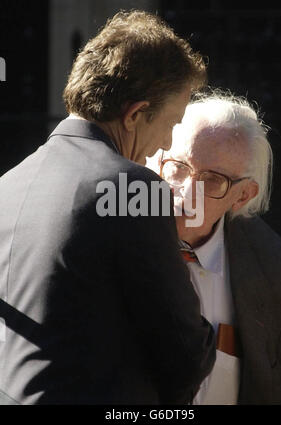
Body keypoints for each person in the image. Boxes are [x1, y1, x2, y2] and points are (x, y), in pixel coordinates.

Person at [0, 10, 216, 405]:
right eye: (171, 123)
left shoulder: (8, 184)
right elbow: (183, 353)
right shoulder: (133, 188)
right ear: (135, 115)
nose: (167, 143)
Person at [147, 91, 281, 404]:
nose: (186, 192)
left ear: (242, 196)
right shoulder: (110, 237)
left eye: (212, 180)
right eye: (177, 167)